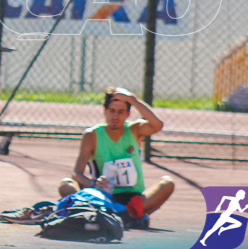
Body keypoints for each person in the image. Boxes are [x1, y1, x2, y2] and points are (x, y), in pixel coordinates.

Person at [58, 87, 174, 221]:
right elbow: (76, 174)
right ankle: (123, 215)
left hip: (134, 198)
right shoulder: (92, 135)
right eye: (111, 111)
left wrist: (132, 99)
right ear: (104, 111)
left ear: (128, 114)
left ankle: (125, 213)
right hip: (103, 198)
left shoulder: (134, 130)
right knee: (65, 185)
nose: (115, 116)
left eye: (121, 112)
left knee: (167, 183)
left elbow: (157, 125)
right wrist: (93, 184)